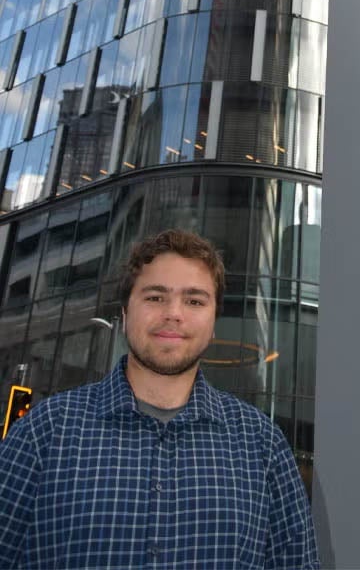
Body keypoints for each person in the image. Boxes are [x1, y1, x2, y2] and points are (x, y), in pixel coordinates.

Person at [0, 229, 320, 569]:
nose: (174, 313)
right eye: (155, 297)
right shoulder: (44, 432)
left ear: (213, 323)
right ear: (124, 315)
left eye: (194, 300)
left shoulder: (262, 444)